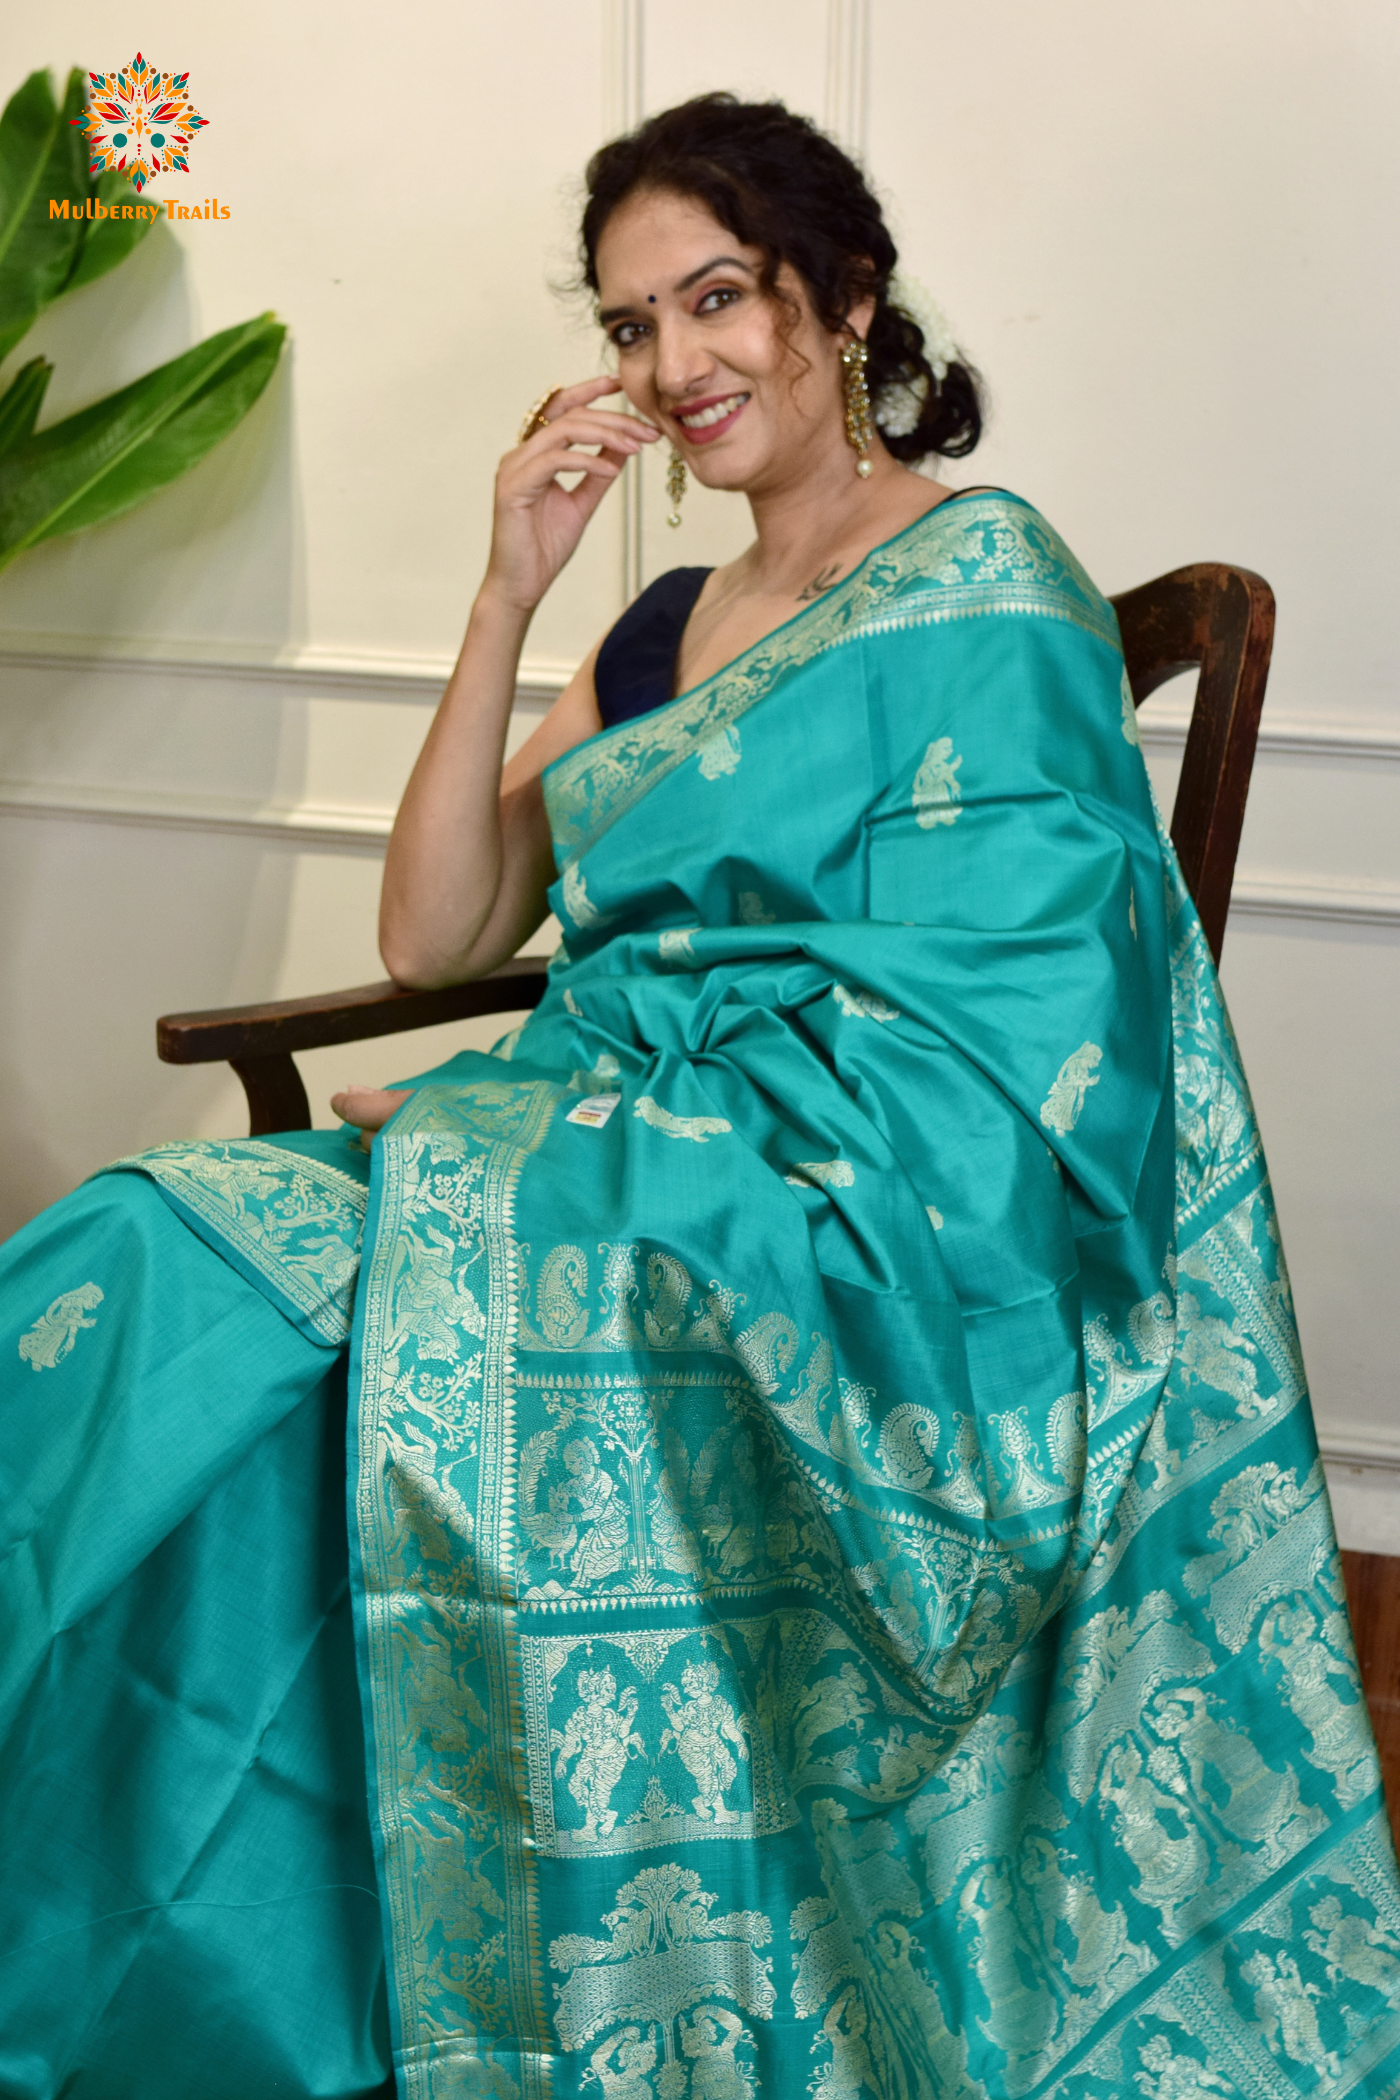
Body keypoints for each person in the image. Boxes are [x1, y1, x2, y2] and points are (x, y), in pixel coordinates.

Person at [1, 90, 1395, 2100]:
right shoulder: (661, 633)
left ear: (841, 302)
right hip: (559, 1151)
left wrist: (542, 1141)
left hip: (796, 1220)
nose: (674, 362)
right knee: (148, 1257)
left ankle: (308, 1954)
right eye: (631, 323)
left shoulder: (984, 581)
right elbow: (437, 929)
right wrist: (508, 591)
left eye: (716, 298)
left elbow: (1008, 1058)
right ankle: (162, 1923)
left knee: (266, 1336)